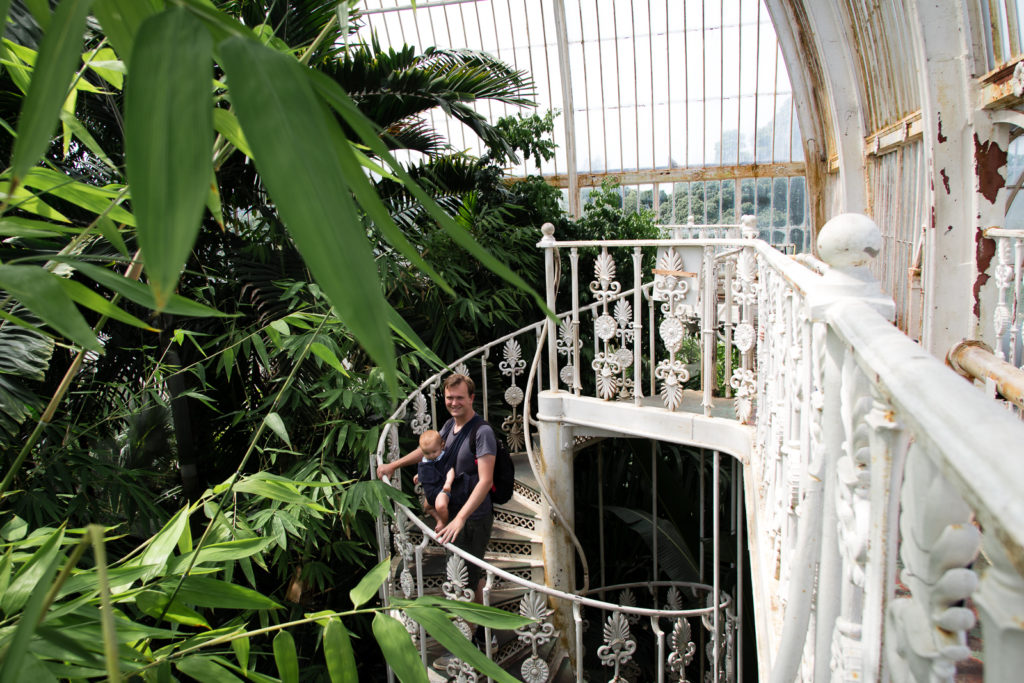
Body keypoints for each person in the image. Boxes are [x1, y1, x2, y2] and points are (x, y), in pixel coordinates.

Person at [376, 373, 496, 652]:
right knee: (467, 573)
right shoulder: (448, 427)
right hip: (452, 513)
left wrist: (461, 518)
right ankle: (478, 630)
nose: (454, 403)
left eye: (459, 397)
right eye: (449, 397)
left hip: (473, 517)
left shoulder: (482, 432)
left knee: (466, 574)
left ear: (471, 398)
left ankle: (478, 636)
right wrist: (395, 465)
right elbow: (426, 452)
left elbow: (486, 481)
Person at [413, 429, 455, 532]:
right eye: (427, 453)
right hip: (430, 493)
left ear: (442, 445)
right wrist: (419, 474)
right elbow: (427, 469)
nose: (431, 455)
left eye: (434, 452)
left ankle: (445, 523)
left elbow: (450, 470)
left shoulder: (443, 458)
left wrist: (448, 483)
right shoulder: (425, 459)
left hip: (441, 489)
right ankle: (439, 519)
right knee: (427, 507)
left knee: (440, 505)